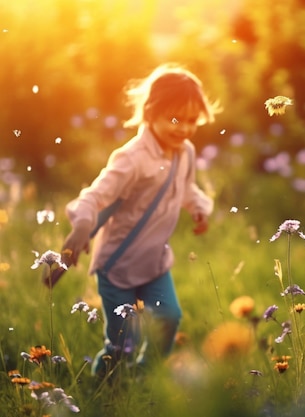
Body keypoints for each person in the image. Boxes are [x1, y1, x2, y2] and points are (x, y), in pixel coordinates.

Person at [61, 64, 219, 376]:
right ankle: (107, 383)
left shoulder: (184, 152)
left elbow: (185, 187)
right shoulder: (132, 158)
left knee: (169, 318)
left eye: (191, 121)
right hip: (117, 265)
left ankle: (146, 377)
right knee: (124, 340)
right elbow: (97, 195)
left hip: (154, 263)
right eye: (175, 119)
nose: (184, 128)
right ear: (150, 112)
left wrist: (199, 208)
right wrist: (81, 224)